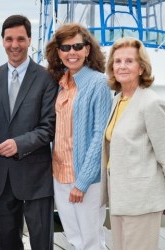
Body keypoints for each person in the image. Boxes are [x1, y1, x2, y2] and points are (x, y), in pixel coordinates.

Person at [0, 14, 58, 250]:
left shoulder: (47, 78)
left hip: (36, 176)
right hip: (1, 176)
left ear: (29, 40)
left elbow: (48, 127)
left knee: (42, 243)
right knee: (8, 244)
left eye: (20, 39)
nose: (15, 45)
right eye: (9, 39)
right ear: (2, 41)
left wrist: (19, 144)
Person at [101, 37, 165, 250]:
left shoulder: (152, 103)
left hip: (142, 202)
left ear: (142, 68)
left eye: (129, 61)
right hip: (119, 199)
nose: (122, 66)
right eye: (117, 61)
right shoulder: (117, 100)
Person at [45, 23, 112, 250]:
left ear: (87, 49)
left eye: (77, 46)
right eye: (65, 47)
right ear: (58, 51)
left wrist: (82, 183)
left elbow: (99, 136)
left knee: (91, 241)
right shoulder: (60, 84)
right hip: (60, 173)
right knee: (74, 238)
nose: (71, 52)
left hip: (86, 179)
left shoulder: (98, 83)